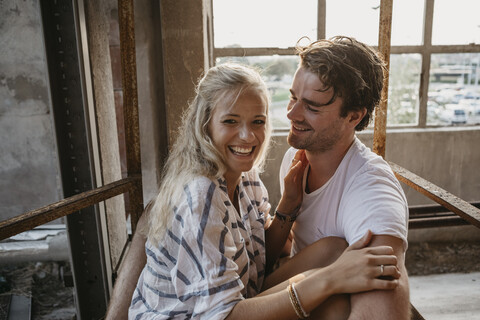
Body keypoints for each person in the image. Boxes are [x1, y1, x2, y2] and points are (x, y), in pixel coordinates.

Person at [116, 62, 401, 320]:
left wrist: (288, 206)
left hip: (240, 296)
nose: (247, 136)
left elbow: (259, 262)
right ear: (205, 125)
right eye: (230, 121)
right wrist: (329, 280)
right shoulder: (201, 195)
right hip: (204, 316)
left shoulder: (245, 175)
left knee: (333, 248)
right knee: (333, 299)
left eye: (258, 122)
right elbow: (222, 315)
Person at [273, 36, 410, 319]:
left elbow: (383, 297)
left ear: (354, 117)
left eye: (312, 107)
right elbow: (289, 248)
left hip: (314, 300)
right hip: (296, 292)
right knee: (332, 253)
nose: (292, 113)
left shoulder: (371, 186)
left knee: (337, 298)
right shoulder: (294, 159)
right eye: (293, 97)